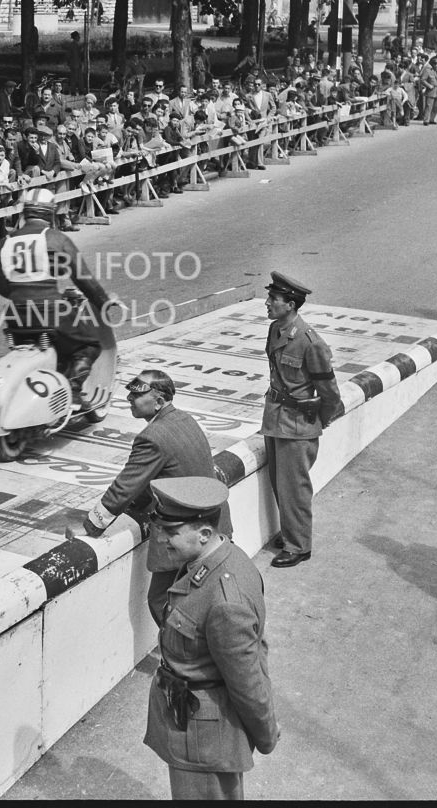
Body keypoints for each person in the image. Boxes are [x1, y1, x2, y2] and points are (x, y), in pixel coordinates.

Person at [143, 477, 278, 800]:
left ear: (204, 534)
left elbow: (246, 678)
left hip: (203, 739)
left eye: (171, 532)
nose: (161, 539)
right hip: (198, 728)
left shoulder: (224, 601)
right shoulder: (222, 559)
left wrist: (266, 734)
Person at [67, 369, 233, 622]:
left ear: (158, 401)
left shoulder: (152, 437)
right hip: (214, 523)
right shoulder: (184, 419)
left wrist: (90, 527)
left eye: (137, 394)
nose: (129, 398)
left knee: (162, 600)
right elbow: (156, 476)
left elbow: (125, 485)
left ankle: (181, 656)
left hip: (184, 534)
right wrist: (141, 503)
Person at [0, 187, 115, 407]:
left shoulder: (7, 242)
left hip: (16, 317)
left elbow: (1, 287)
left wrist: (23, 291)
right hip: (50, 312)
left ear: (25, 213)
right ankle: (74, 391)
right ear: (50, 213)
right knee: (89, 344)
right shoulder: (56, 238)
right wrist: (103, 302)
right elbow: (83, 278)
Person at [260, 272, 343, 567]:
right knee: (279, 484)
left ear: (291, 305)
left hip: (298, 425)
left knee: (294, 488)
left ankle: (299, 545)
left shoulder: (310, 343)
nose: (268, 303)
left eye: (274, 299)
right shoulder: (274, 330)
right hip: (275, 418)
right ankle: (291, 532)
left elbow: (330, 392)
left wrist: (318, 419)